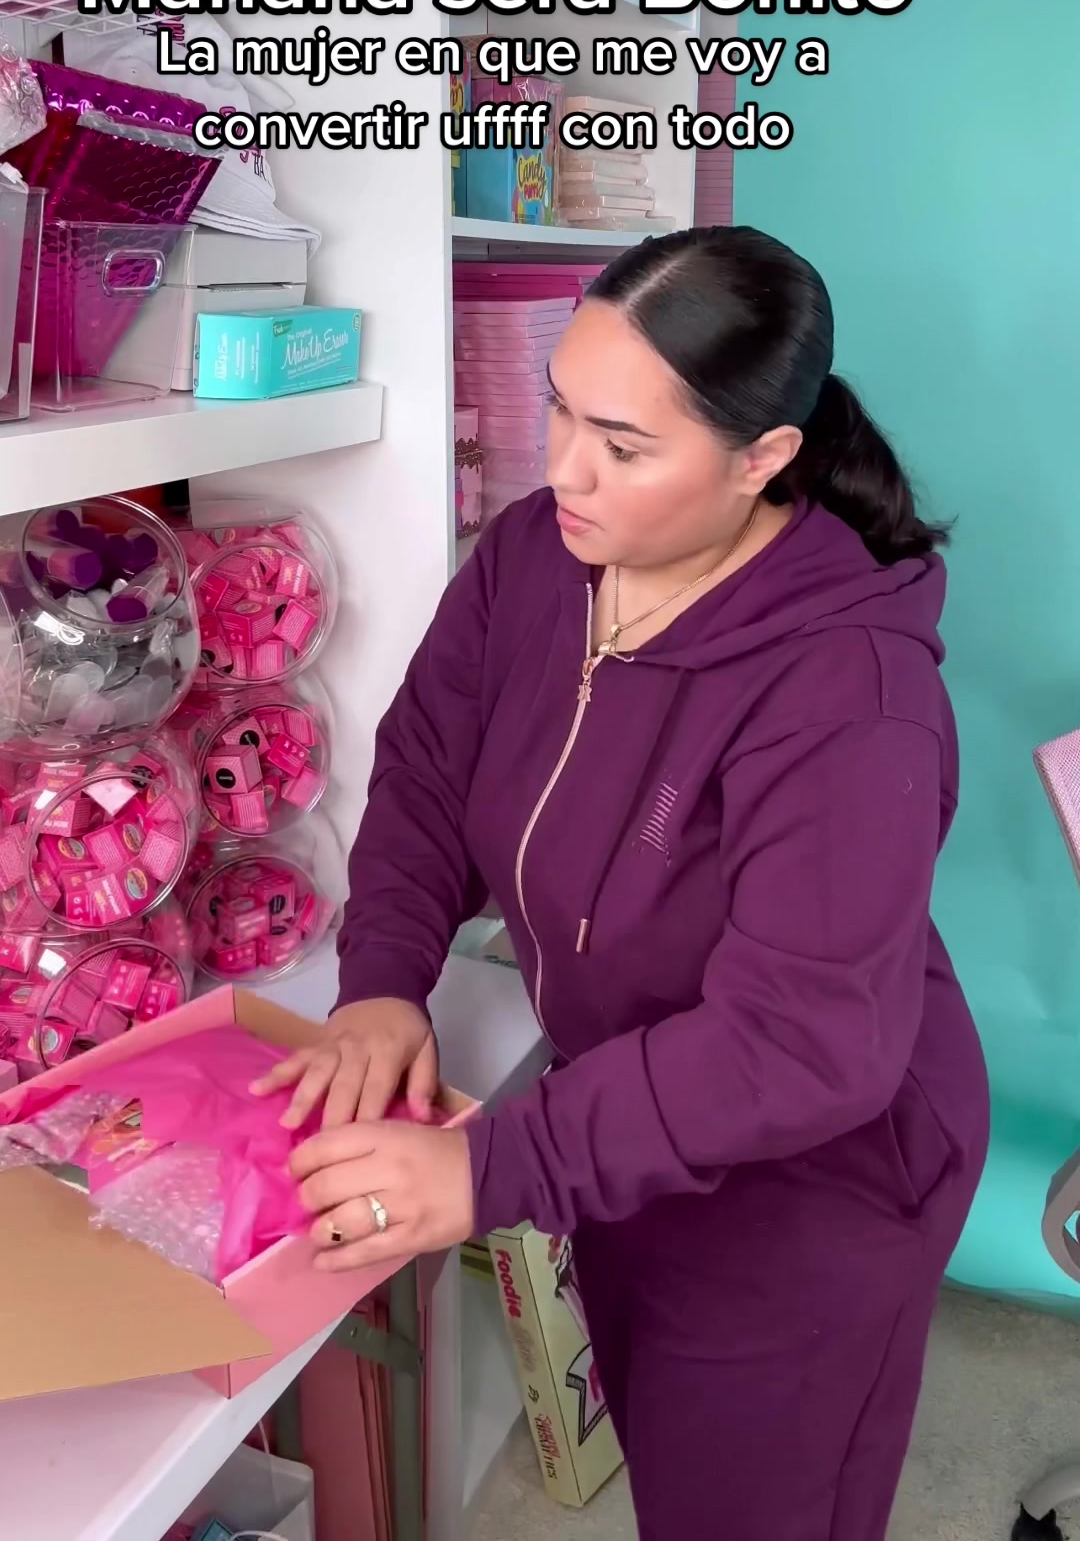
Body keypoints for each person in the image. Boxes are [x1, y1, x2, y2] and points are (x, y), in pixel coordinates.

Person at [254, 227, 990, 1541]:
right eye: (559, 409)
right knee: (674, 1469)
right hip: (635, 1136)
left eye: (625, 445)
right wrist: (382, 984)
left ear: (762, 459)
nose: (563, 470)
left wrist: (495, 1165)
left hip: (809, 1193)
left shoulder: (848, 693)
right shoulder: (536, 558)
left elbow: (805, 1041)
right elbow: (429, 770)